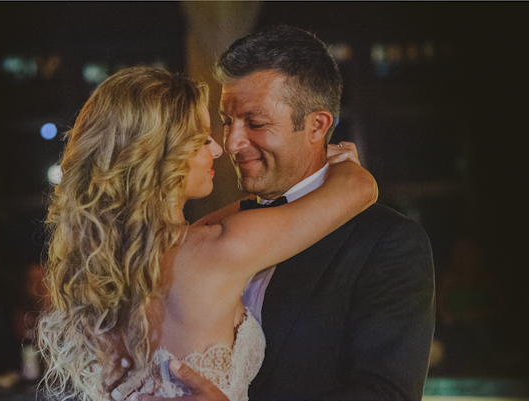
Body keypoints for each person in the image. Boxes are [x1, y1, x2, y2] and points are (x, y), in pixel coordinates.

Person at [115, 25, 435, 401]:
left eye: (255, 123)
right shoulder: (210, 233)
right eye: (227, 121)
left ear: (317, 125)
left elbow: (386, 394)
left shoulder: (385, 241)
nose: (231, 142)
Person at [38, 66, 376, 401]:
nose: (218, 148)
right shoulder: (220, 249)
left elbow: (246, 209)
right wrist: (342, 162)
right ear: (161, 155)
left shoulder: (108, 262)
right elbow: (360, 188)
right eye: (201, 139)